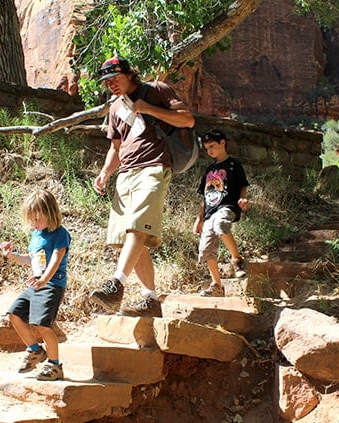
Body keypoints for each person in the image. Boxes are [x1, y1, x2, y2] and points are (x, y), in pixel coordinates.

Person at [90, 55, 195, 317]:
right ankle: (150, 300)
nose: (111, 84)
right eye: (106, 81)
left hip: (155, 165)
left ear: (129, 74)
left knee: (138, 225)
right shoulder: (114, 108)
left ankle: (116, 284)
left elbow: (187, 120)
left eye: (115, 78)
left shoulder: (156, 90)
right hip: (125, 173)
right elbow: (116, 147)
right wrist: (104, 173)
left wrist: (149, 109)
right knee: (128, 237)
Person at [0, 189, 71, 380]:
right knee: (14, 314)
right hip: (37, 285)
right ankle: (35, 351)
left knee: (42, 326)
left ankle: (55, 366)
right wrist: (12, 256)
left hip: (51, 285)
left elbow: (56, 259)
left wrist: (44, 280)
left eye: (38, 219)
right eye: (31, 220)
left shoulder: (60, 234)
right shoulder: (36, 235)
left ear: (51, 214)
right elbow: (30, 260)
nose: (34, 223)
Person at [193, 129, 250, 297]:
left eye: (212, 146)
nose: (209, 151)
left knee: (221, 224)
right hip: (209, 213)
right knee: (205, 249)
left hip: (227, 207)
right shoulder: (209, 170)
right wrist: (199, 220)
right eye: (206, 148)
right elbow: (204, 197)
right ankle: (217, 285)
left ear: (222, 143)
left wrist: (243, 200)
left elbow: (243, 185)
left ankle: (236, 260)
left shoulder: (234, 164)